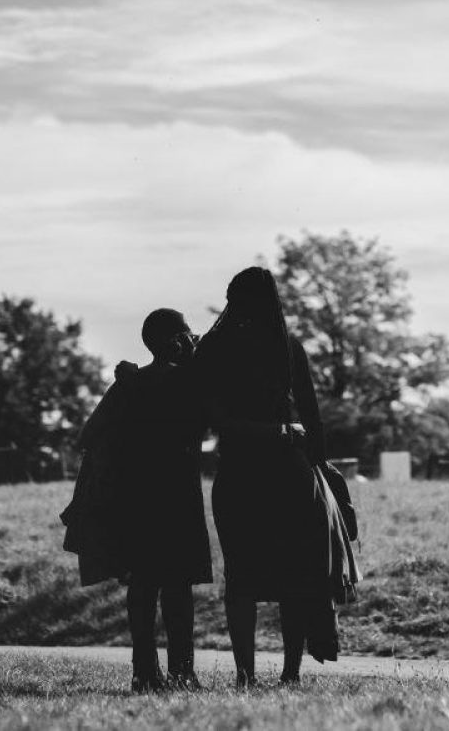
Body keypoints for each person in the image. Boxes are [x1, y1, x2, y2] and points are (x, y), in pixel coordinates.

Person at [194, 266, 357, 687]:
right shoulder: (287, 346)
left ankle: (245, 675)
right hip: (289, 472)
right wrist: (319, 465)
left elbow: (207, 413)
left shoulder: (213, 347)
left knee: (240, 576)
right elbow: (313, 416)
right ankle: (289, 673)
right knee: (294, 575)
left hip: (238, 472)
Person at [62, 308, 212, 692]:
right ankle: (182, 671)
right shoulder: (191, 381)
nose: (194, 340)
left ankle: (144, 671)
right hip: (177, 496)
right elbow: (206, 422)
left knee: (143, 587)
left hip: (135, 498)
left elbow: (88, 434)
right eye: (188, 335)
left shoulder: (131, 383)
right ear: (174, 341)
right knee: (177, 588)